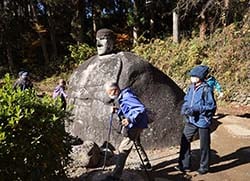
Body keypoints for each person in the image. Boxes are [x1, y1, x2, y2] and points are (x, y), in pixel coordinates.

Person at [103, 81, 152, 181]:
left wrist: (130, 119)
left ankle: (115, 176)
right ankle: (146, 164)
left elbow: (140, 108)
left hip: (135, 124)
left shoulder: (127, 96)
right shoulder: (123, 96)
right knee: (136, 142)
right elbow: (129, 109)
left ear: (115, 90)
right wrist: (117, 110)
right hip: (137, 123)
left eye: (109, 93)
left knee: (123, 149)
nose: (109, 95)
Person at [175, 65, 216, 175]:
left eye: (194, 76)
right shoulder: (191, 87)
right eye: (191, 76)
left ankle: (204, 167)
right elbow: (187, 99)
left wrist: (197, 109)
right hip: (191, 119)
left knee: (204, 145)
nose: (191, 78)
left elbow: (211, 107)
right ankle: (184, 165)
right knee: (185, 140)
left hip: (203, 120)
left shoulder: (206, 89)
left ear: (200, 77)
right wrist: (185, 108)